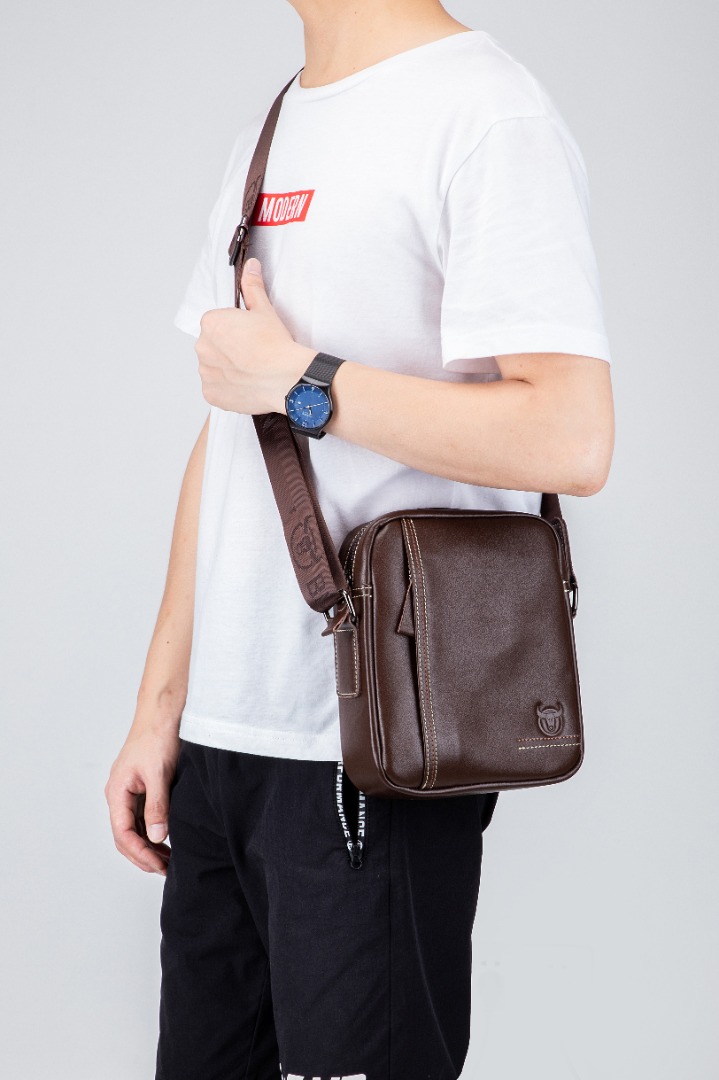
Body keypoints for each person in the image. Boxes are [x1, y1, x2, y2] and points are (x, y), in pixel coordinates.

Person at [104, 1, 615, 1077]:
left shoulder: (485, 114)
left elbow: (569, 437)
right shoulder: (278, 122)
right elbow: (230, 433)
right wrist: (163, 709)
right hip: (223, 750)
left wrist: (304, 381)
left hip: (372, 745)